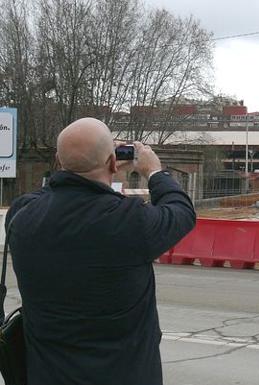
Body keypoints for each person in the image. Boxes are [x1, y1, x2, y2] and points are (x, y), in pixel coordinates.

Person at [5, 118, 196, 385]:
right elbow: (181, 211)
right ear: (112, 162)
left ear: (59, 161)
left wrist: (89, 163)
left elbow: (52, 195)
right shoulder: (129, 222)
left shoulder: (21, 215)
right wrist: (154, 172)